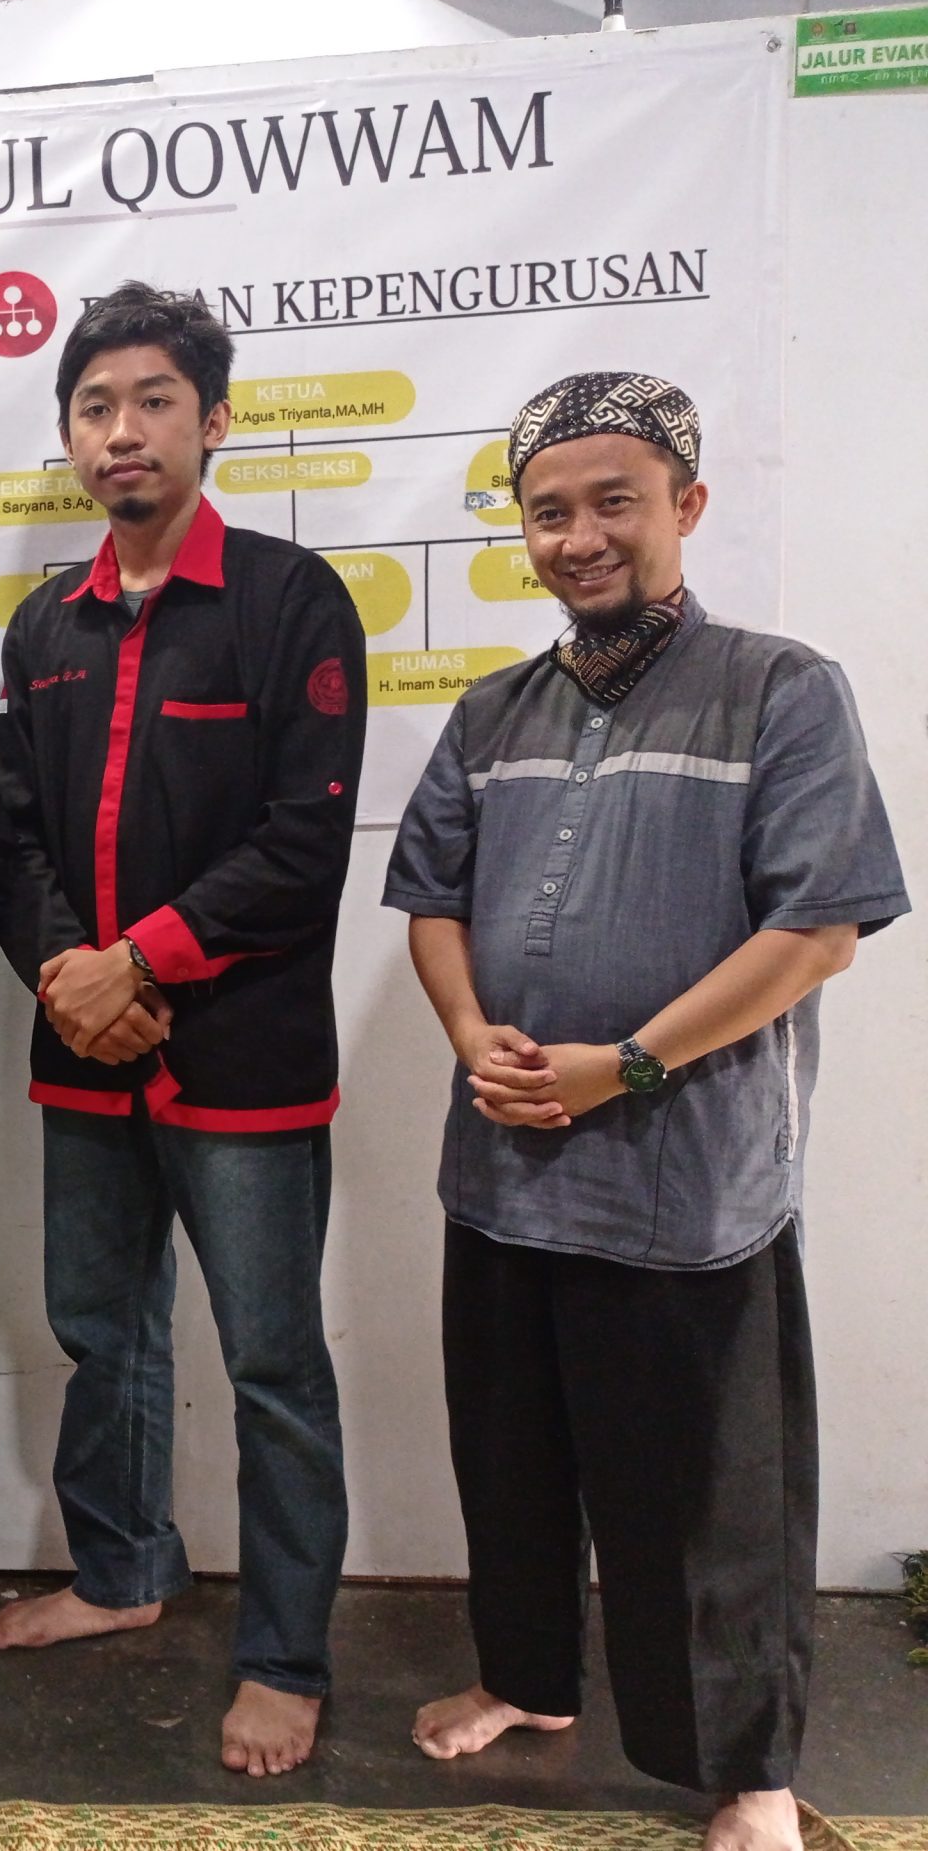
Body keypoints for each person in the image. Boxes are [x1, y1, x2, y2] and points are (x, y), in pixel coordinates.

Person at [384, 374, 906, 1851]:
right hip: (505, 1165)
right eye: (549, 510)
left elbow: (817, 931)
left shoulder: (781, 688)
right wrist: (473, 1034)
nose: (581, 535)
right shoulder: (493, 711)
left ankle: (743, 1766)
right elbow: (430, 899)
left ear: (686, 502)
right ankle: (527, 1677)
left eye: (614, 500)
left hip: (690, 1182)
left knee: (706, 1498)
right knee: (513, 1456)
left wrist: (625, 1065)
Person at [0, 283, 367, 1777]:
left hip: (242, 1058)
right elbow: (11, 838)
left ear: (214, 421)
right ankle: (121, 1569)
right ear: (69, 435)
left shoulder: (288, 600)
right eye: (94, 406)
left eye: (152, 401)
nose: (121, 430)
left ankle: (285, 1655)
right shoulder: (44, 625)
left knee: (271, 1363)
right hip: (83, 1055)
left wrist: (136, 960)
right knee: (103, 1329)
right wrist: (69, 975)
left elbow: (304, 840)